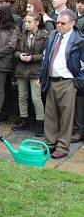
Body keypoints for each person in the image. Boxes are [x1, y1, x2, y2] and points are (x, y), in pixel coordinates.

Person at [38, 9, 84, 159]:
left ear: (72, 23)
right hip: (52, 80)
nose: (59, 25)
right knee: (50, 114)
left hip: (68, 82)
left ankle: (63, 147)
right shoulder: (53, 36)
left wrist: (77, 83)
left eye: (63, 23)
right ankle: (49, 144)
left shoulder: (79, 40)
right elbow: (46, 58)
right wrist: (42, 76)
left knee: (66, 117)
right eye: (57, 22)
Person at [11, 12, 47, 136]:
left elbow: (45, 55)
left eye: (29, 22)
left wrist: (32, 58)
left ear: (37, 22)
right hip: (22, 69)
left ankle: (40, 123)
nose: (26, 24)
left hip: (35, 70)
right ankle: (23, 120)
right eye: (25, 21)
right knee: (22, 96)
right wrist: (20, 55)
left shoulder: (44, 36)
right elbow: (15, 51)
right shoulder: (22, 35)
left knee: (36, 98)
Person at [73, 0, 84, 143]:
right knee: (79, 98)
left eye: (83, 3)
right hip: (78, 65)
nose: (80, 5)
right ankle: (79, 129)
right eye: (78, 2)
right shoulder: (75, 18)